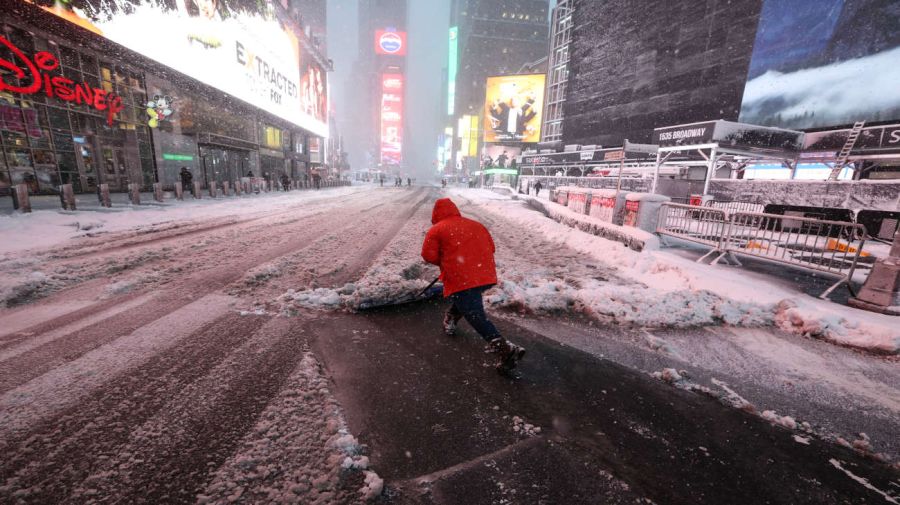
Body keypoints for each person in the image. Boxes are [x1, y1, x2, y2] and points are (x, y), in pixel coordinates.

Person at [421, 198, 526, 374]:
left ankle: (505, 349)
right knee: (465, 301)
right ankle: (451, 319)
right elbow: (491, 248)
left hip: (462, 277)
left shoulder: (437, 229)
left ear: (436, 213)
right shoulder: (476, 224)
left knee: (474, 313)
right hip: (484, 276)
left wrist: (448, 260)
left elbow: (428, 256)